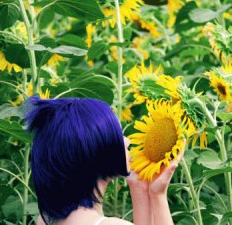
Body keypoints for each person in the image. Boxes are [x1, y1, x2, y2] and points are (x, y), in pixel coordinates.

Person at [24, 96, 182, 225]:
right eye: (117, 135)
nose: (127, 141)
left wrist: (139, 188)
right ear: (96, 151)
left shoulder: (46, 219)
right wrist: (158, 195)